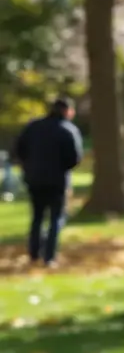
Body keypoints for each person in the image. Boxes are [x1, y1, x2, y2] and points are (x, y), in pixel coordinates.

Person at [13, 98, 83, 268]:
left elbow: (19, 149)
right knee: (56, 217)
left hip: (34, 179)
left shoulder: (33, 127)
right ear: (67, 111)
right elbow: (74, 158)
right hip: (57, 181)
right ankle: (49, 256)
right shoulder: (67, 130)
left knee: (37, 216)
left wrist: (28, 166)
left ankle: (34, 252)